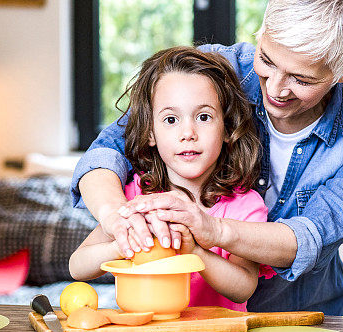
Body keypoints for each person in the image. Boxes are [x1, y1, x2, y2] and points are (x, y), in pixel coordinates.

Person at [71, 0, 343, 315]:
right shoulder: (214, 71)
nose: (276, 89)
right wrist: (118, 220)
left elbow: (313, 235)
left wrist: (209, 231)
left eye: (302, 79)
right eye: (267, 59)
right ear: (261, 33)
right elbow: (109, 150)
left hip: (302, 315)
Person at [69, 46, 273, 311]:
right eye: (170, 119)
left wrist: (196, 252)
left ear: (227, 128)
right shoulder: (135, 198)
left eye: (203, 117)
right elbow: (77, 266)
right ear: (150, 133)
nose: (188, 132)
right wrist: (123, 242)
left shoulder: (244, 206)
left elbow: (243, 287)